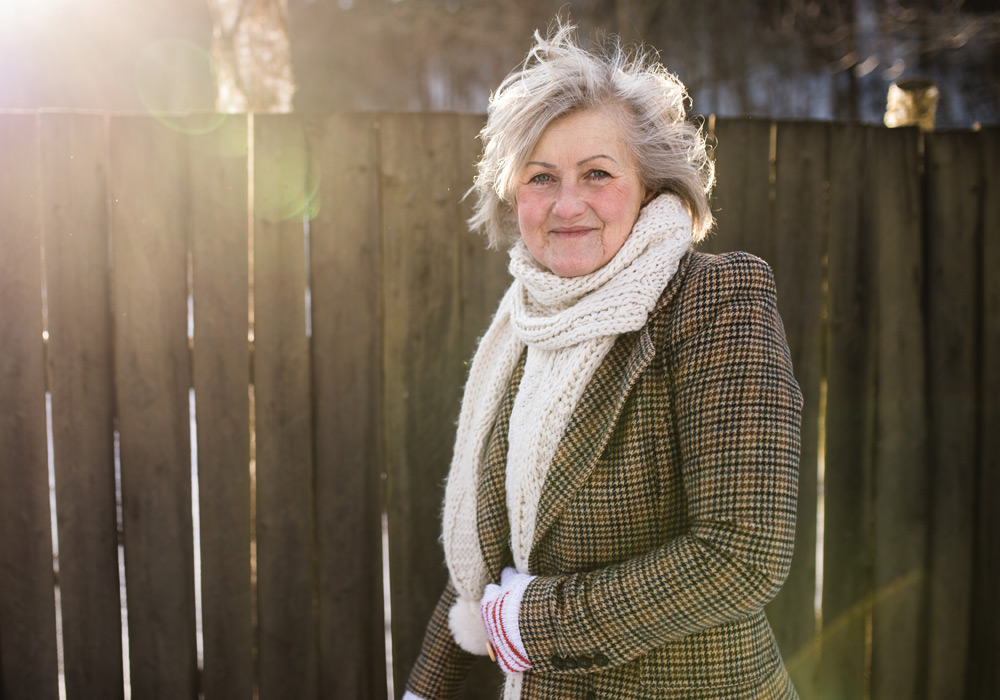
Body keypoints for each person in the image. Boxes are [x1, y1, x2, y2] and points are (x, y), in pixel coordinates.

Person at [403, 19, 802, 700]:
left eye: (597, 173)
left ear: (650, 185)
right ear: (514, 196)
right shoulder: (524, 324)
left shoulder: (712, 298)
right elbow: (491, 551)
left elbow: (742, 554)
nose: (568, 205)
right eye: (541, 177)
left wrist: (533, 623)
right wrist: (425, 690)